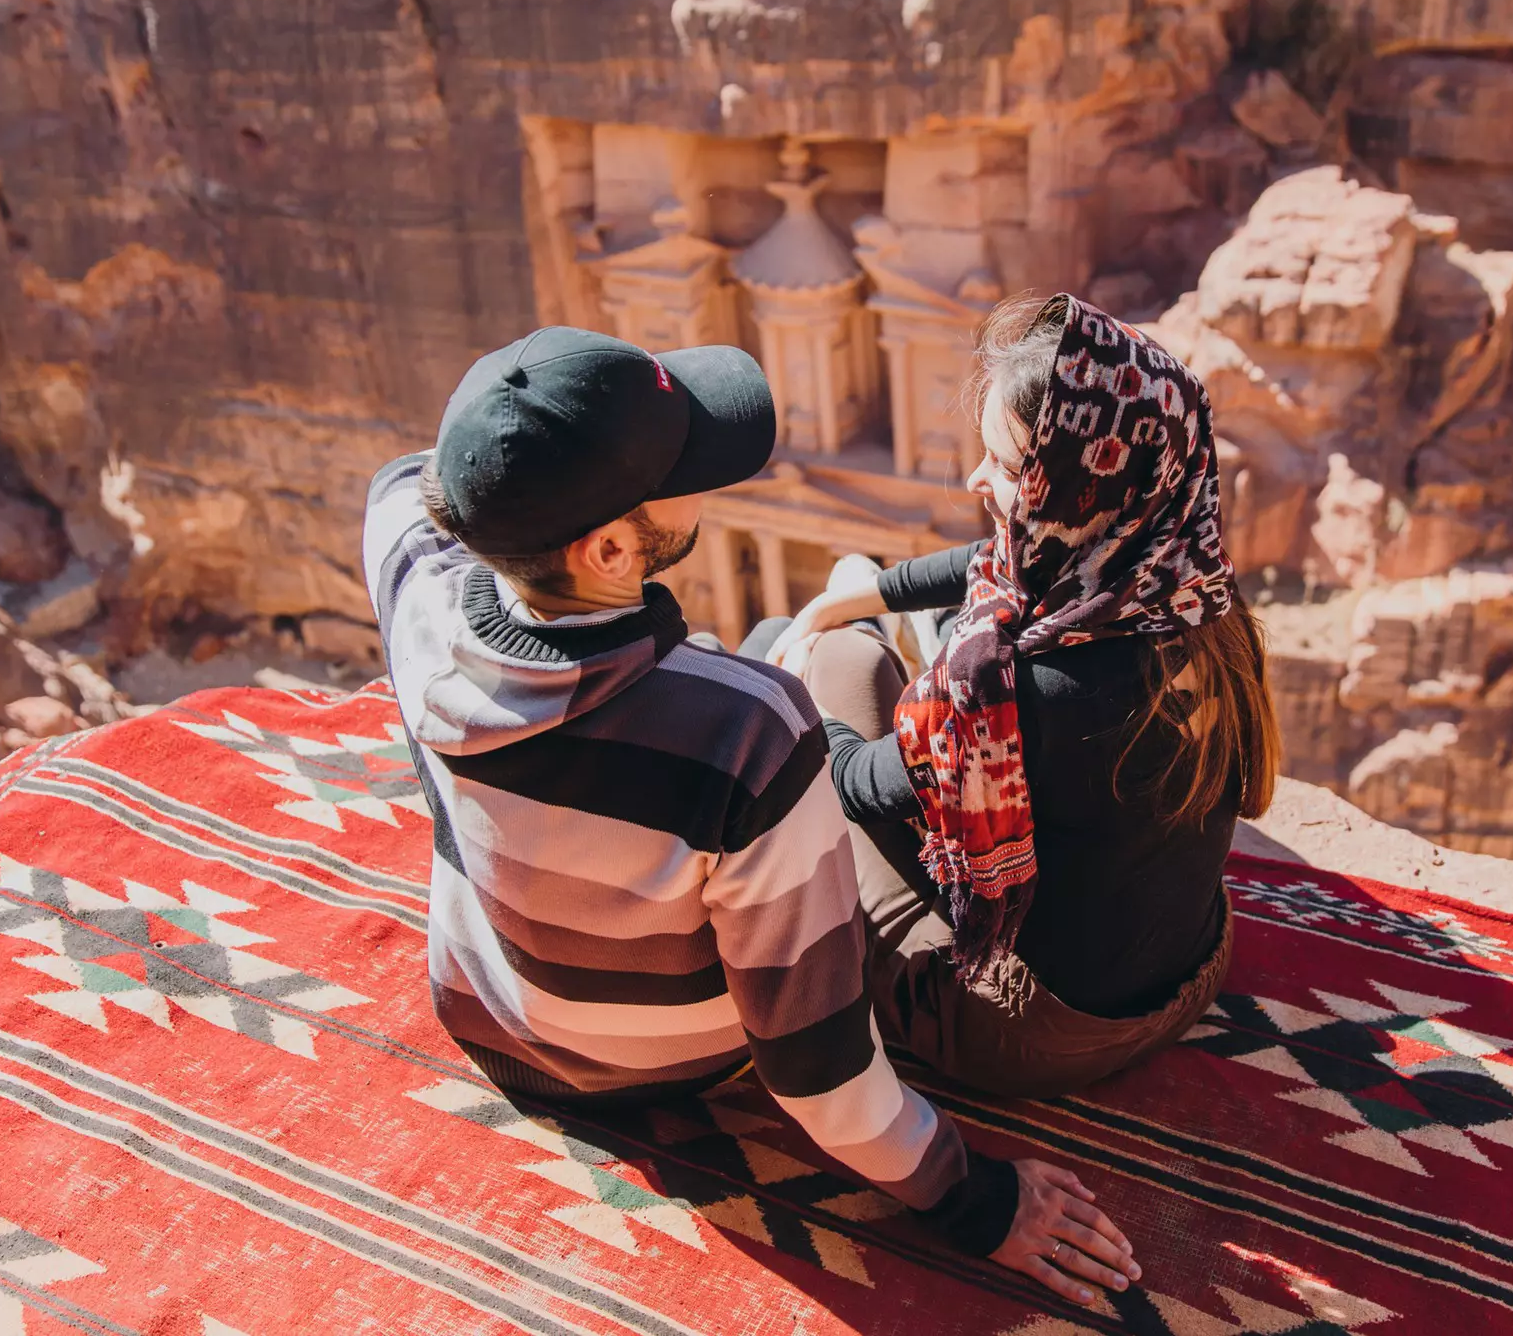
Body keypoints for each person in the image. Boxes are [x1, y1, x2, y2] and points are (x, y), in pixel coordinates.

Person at [362, 325, 1140, 1305]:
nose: (708, 473)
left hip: (488, 1015)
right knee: (786, 656)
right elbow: (815, 1068)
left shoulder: (418, 603)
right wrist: (976, 1197)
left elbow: (398, 485)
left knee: (772, 643)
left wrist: (499, 460)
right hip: (661, 1065)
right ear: (608, 548)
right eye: (681, 468)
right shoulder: (744, 727)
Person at [758, 294, 1281, 1099]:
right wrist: (858, 597)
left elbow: (856, 784)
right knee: (850, 621)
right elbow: (996, 558)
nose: (977, 479)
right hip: (1196, 968)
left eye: (1005, 469)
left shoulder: (1032, 693)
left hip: (1028, 1036)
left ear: (1078, 492)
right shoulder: (1195, 593)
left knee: (834, 675)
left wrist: (791, 684)